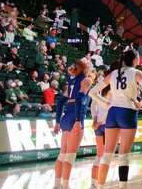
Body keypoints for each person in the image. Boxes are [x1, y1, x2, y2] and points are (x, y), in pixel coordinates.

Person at [91, 48, 142, 188]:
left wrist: (106, 103)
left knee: (107, 154)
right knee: (123, 156)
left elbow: (92, 92)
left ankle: (99, 186)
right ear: (135, 59)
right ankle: (122, 187)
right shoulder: (137, 73)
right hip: (128, 112)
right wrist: (140, 103)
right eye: (138, 58)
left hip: (113, 113)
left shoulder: (113, 73)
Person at [53, 58, 93, 189]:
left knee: (62, 154)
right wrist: (77, 120)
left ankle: (57, 185)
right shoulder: (86, 80)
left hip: (65, 117)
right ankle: (66, 186)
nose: (89, 62)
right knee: (70, 156)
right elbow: (80, 99)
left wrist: (57, 122)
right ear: (85, 67)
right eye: (88, 62)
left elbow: (60, 103)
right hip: (75, 116)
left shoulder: (71, 81)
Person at [90, 70, 111, 188]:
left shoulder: (97, 91)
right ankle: (99, 183)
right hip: (106, 125)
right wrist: (99, 121)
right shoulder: (112, 91)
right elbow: (109, 109)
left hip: (98, 124)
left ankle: (93, 183)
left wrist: (95, 120)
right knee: (105, 156)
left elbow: (92, 106)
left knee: (99, 155)